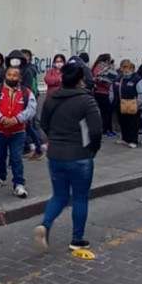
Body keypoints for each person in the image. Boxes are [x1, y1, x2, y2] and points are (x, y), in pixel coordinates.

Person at [34, 63, 103, 253]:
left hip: (56, 154)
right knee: (80, 198)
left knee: (59, 195)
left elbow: (44, 124)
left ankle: (45, 225)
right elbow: (96, 130)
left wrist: (54, 140)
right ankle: (77, 238)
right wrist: (92, 149)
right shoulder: (86, 101)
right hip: (80, 155)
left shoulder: (51, 99)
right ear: (81, 79)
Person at [0, 65, 36, 197]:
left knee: (16, 158)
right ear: (5, 76)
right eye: (9, 75)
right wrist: (1, 118)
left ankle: (19, 183)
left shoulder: (26, 93)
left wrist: (17, 119)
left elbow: (31, 109)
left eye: (15, 75)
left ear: (19, 77)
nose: (11, 78)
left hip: (18, 131)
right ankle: (0, 177)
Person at [114, 60, 142, 148]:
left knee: (133, 123)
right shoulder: (118, 79)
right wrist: (113, 100)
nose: (125, 70)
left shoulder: (138, 79)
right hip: (121, 105)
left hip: (133, 105)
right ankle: (125, 138)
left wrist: (138, 104)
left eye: (127, 68)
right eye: (123, 67)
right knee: (123, 122)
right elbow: (112, 90)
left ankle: (133, 141)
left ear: (132, 68)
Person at [91, 54, 118, 137]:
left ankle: (109, 128)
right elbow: (97, 79)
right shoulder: (99, 68)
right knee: (104, 112)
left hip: (107, 92)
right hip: (101, 92)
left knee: (108, 112)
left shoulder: (107, 68)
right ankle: (105, 129)